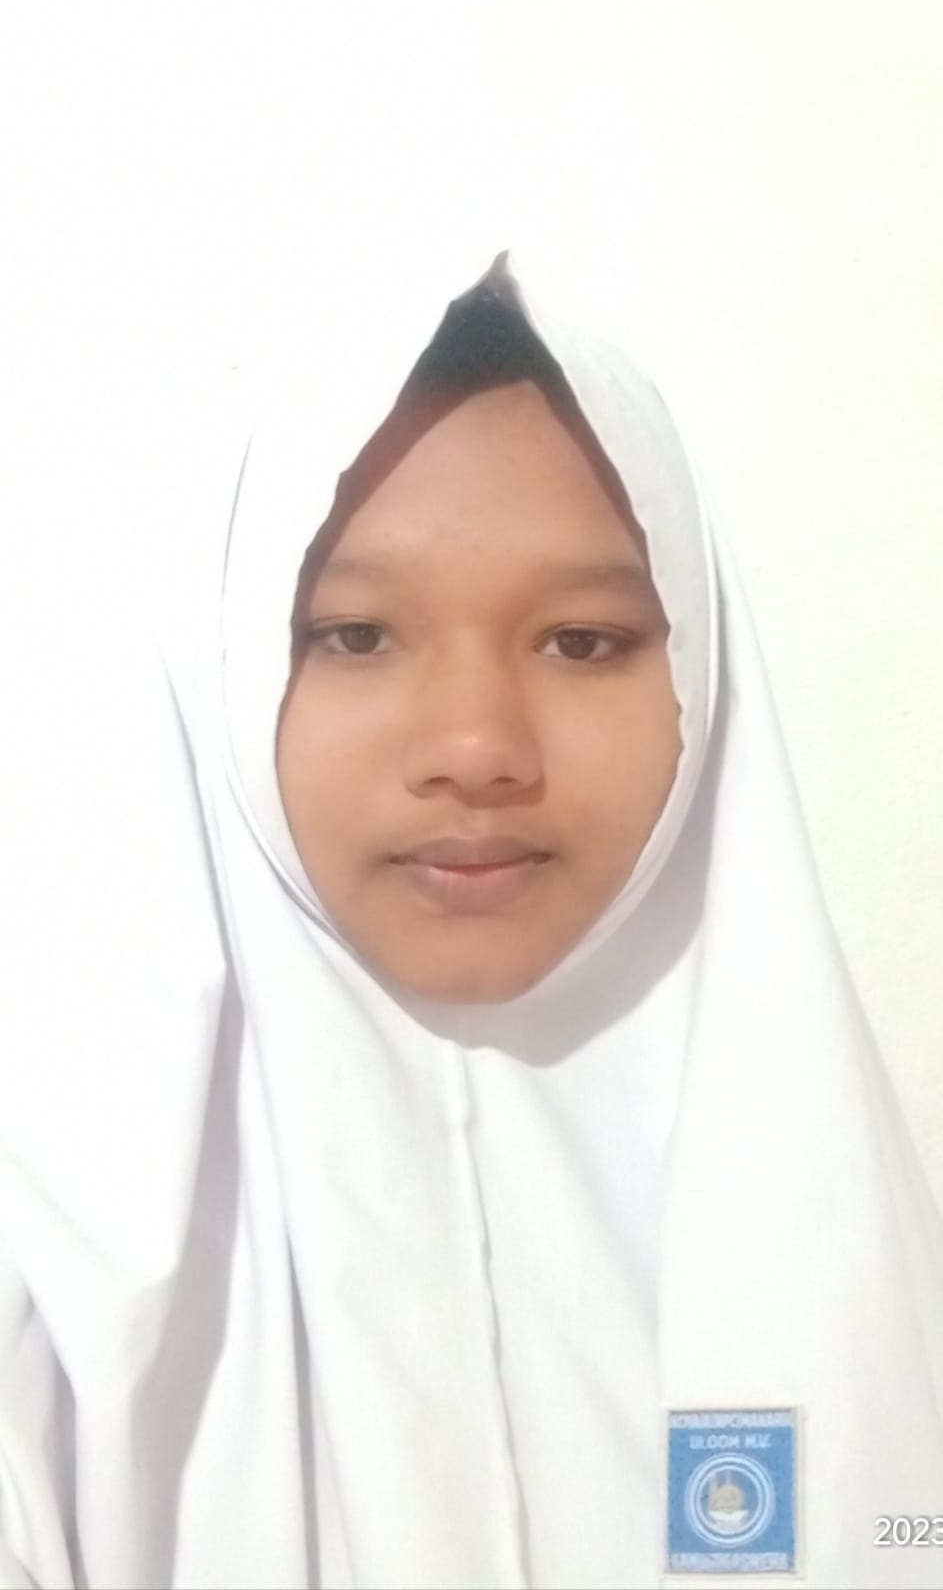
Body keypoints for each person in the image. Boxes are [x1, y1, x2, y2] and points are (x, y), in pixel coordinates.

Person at [1, 247, 942, 1589]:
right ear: (227, 663)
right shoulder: (55, 1266)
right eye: (355, 635)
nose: (476, 748)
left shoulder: (851, 1258)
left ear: (701, 672)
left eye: (581, 641)